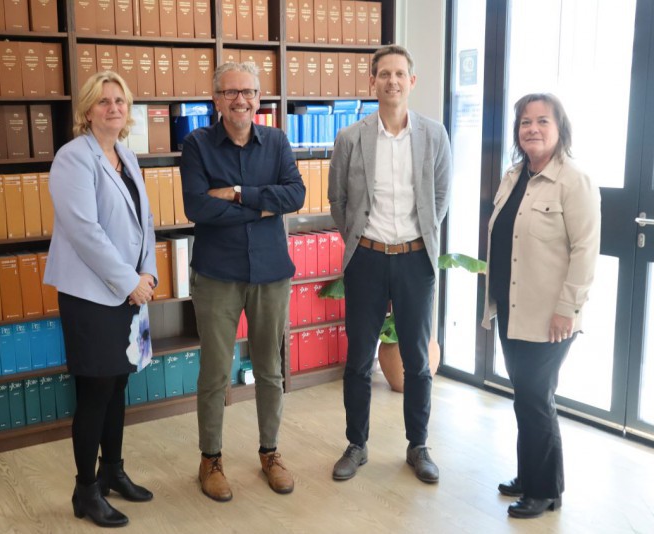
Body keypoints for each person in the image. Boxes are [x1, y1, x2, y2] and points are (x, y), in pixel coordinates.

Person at [180, 62, 306, 502]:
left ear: (258, 98)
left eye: (249, 92)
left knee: (270, 367)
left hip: (271, 272)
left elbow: (295, 195)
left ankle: (270, 453)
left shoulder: (277, 141)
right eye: (231, 92)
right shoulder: (197, 145)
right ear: (216, 98)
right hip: (217, 274)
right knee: (215, 370)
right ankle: (210, 459)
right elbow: (197, 207)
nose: (241, 100)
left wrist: (236, 194)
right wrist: (263, 206)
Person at [327, 44, 452, 484]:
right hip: (367, 259)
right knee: (359, 359)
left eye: (400, 74)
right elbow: (338, 201)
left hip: (415, 260)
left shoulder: (434, 135)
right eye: (384, 74)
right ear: (373, 81)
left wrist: (418, 239)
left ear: (411, 82)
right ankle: (356, 445)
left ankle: (418, 446)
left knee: (417, 360)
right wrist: (361, 242)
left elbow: (440, 197)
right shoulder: (350, 138)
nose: (392, 81)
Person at [44, 71, 157, 528]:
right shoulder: (73, 158)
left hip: (130, 290)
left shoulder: (126, 156)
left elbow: (146, 221)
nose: (114, 108)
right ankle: (85, 489)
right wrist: (129, 280)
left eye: (120, 101)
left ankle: (113, 471)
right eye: (104, 101)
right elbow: (84, 231)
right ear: (87, 111)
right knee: (95, 391)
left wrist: (148, 271)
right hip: (91, 294)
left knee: (118, 385)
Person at [482, 93, 600, 519]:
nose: (532, 128)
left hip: (551, 315)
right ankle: (531, 475)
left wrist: (568, 307)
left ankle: (545, 491)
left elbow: (586, 250)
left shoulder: (574, 181)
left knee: (535, 397)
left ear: (559, 128)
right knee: (526, 396)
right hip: (512, 307)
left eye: (542, 121)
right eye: (525, 122)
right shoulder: (515, 176)